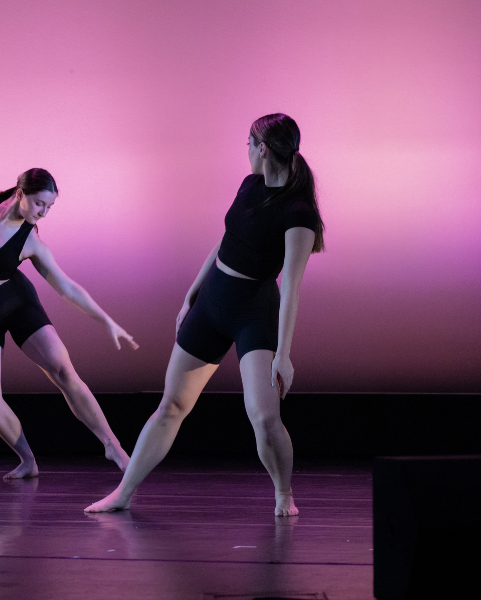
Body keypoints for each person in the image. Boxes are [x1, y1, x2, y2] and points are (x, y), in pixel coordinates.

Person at [85, 114, 325, 516]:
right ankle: (123, 493)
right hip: (213, 301)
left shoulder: (298, 212)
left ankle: (284, 493)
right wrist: (192, 294)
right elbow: (225, 241)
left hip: (254, 312)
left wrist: (283, 354)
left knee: (265, 417)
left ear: (262, 148)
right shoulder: (249, 185)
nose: (246, 151)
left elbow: (292, 286)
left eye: (248, 143)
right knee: (171, 406)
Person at [0, 65, 139, 479]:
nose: (43, 213)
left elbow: (66, 287)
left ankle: (114, 447)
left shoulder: (32, 242)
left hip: (16, 302)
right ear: (20, 193)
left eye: (49, 207)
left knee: (63, 371)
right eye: (39, 204)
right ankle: (28, 461)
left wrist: (106, 320)